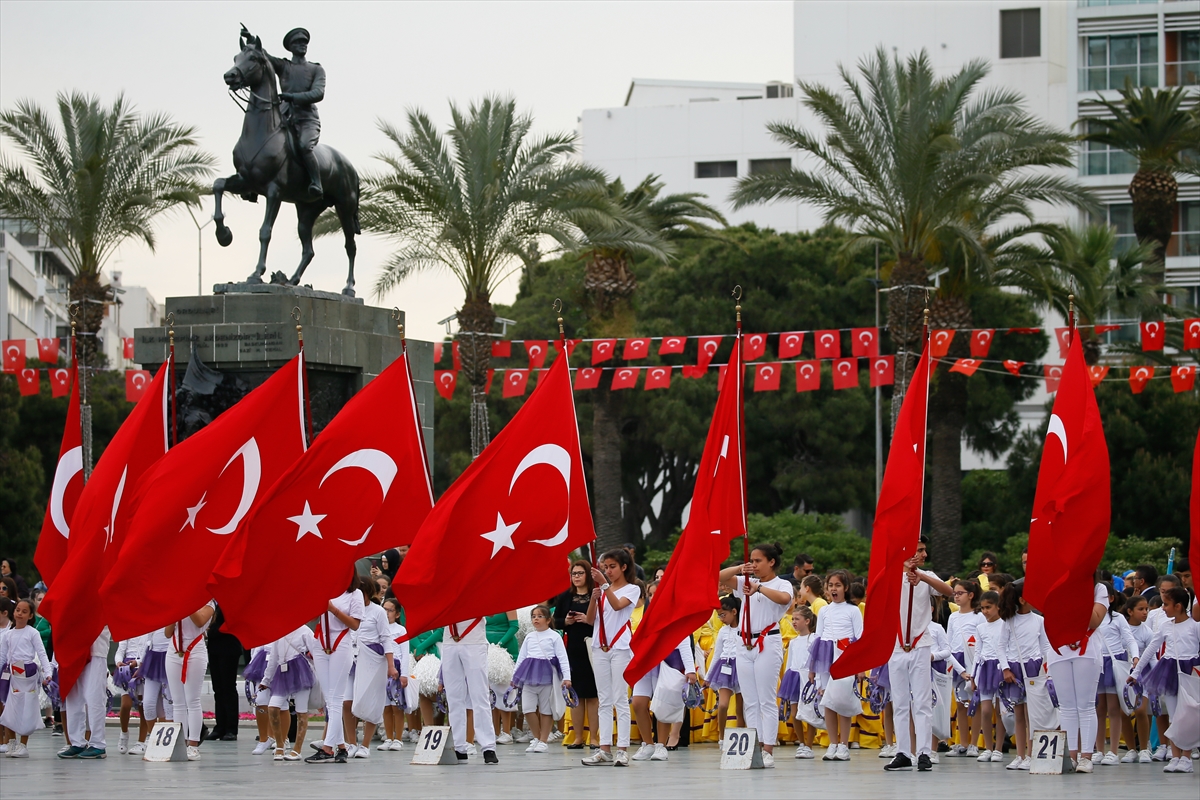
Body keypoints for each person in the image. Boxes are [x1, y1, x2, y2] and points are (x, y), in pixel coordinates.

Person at [718, 542, 793, 768]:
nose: (755, 565)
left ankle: (768, 747)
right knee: (750, 700)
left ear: (771, 562)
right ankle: (754, 746)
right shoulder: (746, 581)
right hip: (743, 641)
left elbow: (783, 599)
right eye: (752, 560)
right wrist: (742, 568)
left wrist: (758, 588)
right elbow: (720, 577)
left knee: (766, 699)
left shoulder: (783, 584)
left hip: (767, 641)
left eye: (758, 561)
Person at [884, 537, 953, 773]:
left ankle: (924, 751)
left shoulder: (927, 575)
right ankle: (903, 751)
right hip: (895, 646)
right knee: (900, 702)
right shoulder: (890, 575)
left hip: (921, 645)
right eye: (920, 550)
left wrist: (921, 577)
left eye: (924, 550)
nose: (924, 554)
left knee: (922, 701)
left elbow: (950, 591)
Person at [244, 25, 326, 199]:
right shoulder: (283, 66)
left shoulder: (316, 69)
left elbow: (318, 93)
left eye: (304, 42)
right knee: (262, 142)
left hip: (306, 120)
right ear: (291, 47)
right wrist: (251, 40)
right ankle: (251, 185)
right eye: (298, 42)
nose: (302, 45)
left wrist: (291, 96)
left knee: (304, 146)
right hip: (283, 118)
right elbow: (264, 56)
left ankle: (316, 182)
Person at [1129, 586, 1200, 773]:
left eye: (1166, 604)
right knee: (1175, 716)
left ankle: (1187, 757)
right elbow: (1151, 649)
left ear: (1178, 606)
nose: (1163, 608)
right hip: (1169, 671)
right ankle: (1175, 756)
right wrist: (1136, 673)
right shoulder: (1166, 626)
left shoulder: (1195, 626)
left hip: (1189, 671)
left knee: (1189, 716)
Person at [581, 549, 640, 767]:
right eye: (605, 567)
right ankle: (604, 748)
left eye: (612, 566)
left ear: (624, 567)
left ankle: (622, 749)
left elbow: (618, 606)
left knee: (619, 699)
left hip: (620, 647)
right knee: (603, 699)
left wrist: (604, 585)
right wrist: (593, 598)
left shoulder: (632, 589)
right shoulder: (601, 590)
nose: (608, 570)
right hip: (599, 647)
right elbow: (589, 620)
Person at [1045, 578, 1109, 773]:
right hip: (1059, 649)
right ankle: (1071, 756)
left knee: (1086, 705)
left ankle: (1087, 756)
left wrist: (1077, 594)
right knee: (1066, 707)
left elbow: (1095, 619)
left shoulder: (1099, 588)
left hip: (1086, 650)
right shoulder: (1056, 586)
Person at [306, 572, 363, 764]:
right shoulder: (325, 590)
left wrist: (332, 609)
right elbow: (312, 616)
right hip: (320, 643)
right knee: (330, 698)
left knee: (336, 697)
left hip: (342, 642)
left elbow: (355, 624)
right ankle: (341, 747)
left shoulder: (354, 594)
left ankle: (327, 748)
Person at [809, 569, 863, 762]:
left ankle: (844, 744)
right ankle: (832, 743)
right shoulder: (823, 610)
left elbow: (859, 639)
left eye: (838, 585)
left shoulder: (853, 610)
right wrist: (812, 668)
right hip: (825, 657)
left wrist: (859, 667)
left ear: (846, 588)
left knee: (842, 700)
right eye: (830, 585)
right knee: (828, 700)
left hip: (845, 657)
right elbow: (818, 637)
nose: (833, 589)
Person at [998, 579, 1051, 771]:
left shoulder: (1040, 621)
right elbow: (1001, 647)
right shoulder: (1008, 621)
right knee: (1018, 714)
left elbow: (1045, 646)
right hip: (1014, 670)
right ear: (1022, 600)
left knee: (1032, 714)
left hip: (1034, 669)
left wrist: (1047, 669)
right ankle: (1020, 755)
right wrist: (1005, 669)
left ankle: (1031, 754)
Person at [439, 607, 499, 764]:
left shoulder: (478, 584)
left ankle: (488, 747)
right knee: (453, 696)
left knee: (479, 694)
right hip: (450, 639)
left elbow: (492, 611)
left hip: (474, 639)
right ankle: (459, 746)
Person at [349, 577, 398, 760]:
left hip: (374, 660)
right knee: (348, 702)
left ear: (367, 593)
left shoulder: (378, 612)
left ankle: (365, 745)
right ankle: (351, 743)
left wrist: (391, 665)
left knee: (370, 701)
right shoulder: (349, 610)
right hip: (352, 658)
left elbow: (386, 638)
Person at [512, 605, 571, 753]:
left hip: (547, 675)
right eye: (533, 616)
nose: (536, 619)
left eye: (539, 616)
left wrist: (567, 677)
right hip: (529, 675)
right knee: (527, 708)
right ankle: (537, 737)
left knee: (546, 709)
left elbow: (562, 658)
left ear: (548, 620)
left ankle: (543, 740)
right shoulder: (529, 637)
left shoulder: (554, 636)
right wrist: (515, 677)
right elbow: (522, 657)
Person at [629, 635, 696, 763]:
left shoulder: (675, 619)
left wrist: (690, 669)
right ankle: (648, 745)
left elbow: (683, 638)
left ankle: (661, 745)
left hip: (667, 662)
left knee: (662, 703)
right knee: (638, 703)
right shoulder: (648, 616)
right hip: (646, 660)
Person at [1092, 582, 1139, 766]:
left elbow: (1129, 639)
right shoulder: (1091, 617)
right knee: (1098, 709)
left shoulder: (1117, 618)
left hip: (1113, 663)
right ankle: (1098, 749)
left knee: (1113, 708)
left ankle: (1113, 751)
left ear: (1111, 598)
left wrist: (1135, 657)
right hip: (1096, 663)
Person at [553, 560, 598, 749]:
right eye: (574, 573)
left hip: (593, 647)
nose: (577, 577)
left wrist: (588, 620)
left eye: (580, 573)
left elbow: (604, 621)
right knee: (577, 694)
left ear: (588, 574)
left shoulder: (596, 594)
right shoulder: (565, 597)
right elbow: (555, 621)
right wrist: (568, 621)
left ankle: (594, 737)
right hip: (573, 649)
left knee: (594, 696)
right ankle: (578, 737)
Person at [165, 601, 216, 761]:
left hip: (195, 650)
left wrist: (185, 603)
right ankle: (180, 743)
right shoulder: (179, 600)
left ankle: (193, 744)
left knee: (192, 700)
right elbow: (167, 632)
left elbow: (200, 621)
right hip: (173, 650)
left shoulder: (209, 603)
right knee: (178, 702)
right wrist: (175, 610)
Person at [0, 599, 51, 758]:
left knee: (26, 708)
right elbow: (2, 656)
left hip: (27, 675)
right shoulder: (8, 634)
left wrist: (48, 672)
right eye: (17, 610)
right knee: (9, 708)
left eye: (24, 612)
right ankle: (11, 742)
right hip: (12, 675)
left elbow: (42, 653)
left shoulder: (32, 633)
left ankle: (23, 744)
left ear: (30, 616)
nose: (19, 614)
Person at [262, 624, 316, 761]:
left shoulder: (305, 631)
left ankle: (297, 749)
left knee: (301, 711)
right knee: (273, 707)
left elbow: (316, 653)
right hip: (283, 673)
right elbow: (273, 658)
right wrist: (266, 680)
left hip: (301, 673)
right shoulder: (279, 631)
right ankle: (280, 744)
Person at [970, 591, 1010, 765]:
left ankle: (999, 748)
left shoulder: (1006, 625)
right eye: (983, 608)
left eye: (988, 607)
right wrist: (973, 676)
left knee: (1001, 711)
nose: (985, 611)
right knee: (986, 711)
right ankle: (988, 747)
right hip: (985, 669)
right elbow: (977, 652)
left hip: (1000, 668)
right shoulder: (980, 628)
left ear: (997, 606)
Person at [946, 579, 983, 758]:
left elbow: (981, 641)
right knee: (960, 703)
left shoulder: (979, 616)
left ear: (971, 595)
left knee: (975, 702)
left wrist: (974, 669)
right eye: (955, 593)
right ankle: (963, 742)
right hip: (957, 660)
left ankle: (974, 744)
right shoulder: (953, 616)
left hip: (973, 660)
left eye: (960, 593)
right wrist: (955, 665)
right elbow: (948, 643)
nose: (957, 596)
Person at [705, 594, 745, 747]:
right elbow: (716, 654)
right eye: (719, 615)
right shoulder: (722, 631)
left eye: (723, 614)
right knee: (723, 705)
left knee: (740, 709)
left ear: (734, 612)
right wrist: (708, 677)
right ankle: (722, 738)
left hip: (741, 667)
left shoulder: (744, 628)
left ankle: (741, 741)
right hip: (724, 668)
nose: (721, 618)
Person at [779, 604, 816, 759]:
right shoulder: (793, 642)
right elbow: (790, 663)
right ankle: (801, 743)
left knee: (810, 713)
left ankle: (809, 745)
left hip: (808, 679)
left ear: (807, 621)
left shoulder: (814, 639)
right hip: (794, 678)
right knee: (795, 713)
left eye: (797, 619)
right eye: (793, 619)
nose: (794, 622)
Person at [1121, 595, 1154, 762]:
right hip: (1123, 673)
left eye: (1146, 609)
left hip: (1143, 675)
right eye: (1140, 609)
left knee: (1141, 710)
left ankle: (1144, 748)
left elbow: (1152, 655)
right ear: (1130, 611)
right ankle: (1131, 749)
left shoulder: (1147, 632)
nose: (1145, 612)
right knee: (1124, 711)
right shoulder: (1122, 628)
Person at [206, 604, 243, 742]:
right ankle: (220, 727)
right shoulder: (211, 601)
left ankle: (231, 729)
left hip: (228, 647)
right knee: (218, 689)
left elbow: (232, 622)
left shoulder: (229, 600)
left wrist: (209, 630)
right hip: (214, 647)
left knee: (228, 688)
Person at [486, 610, 520, 744]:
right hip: (487, 649)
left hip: (505, 650)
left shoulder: (508, 603)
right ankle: (495, 732)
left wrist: (500, 643)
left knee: (504, 689)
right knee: (491, 692)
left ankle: (506, 732)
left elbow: (514, 626)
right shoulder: (484, 603)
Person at [379, 597, 409, 751]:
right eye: (384, 609)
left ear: (397, 614)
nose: (386, 613)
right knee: (386, 706)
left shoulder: (400, 630)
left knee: (397, 706)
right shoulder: (378, 628)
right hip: (382, 668)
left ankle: (398, 738)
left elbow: (404, 653)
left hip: (396, 669)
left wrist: (404, 674)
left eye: (390, 610)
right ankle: (388, 737)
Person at [113, 634, 150, 755]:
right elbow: (120, 651)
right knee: (125, 704)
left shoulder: (150, 629)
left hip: (143, 667)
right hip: (127, 670)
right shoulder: (128, 630)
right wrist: (118, 662)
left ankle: (141, 741)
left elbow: (150, 648)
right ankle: (124, 734)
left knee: (143, 706)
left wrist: (139, 662)